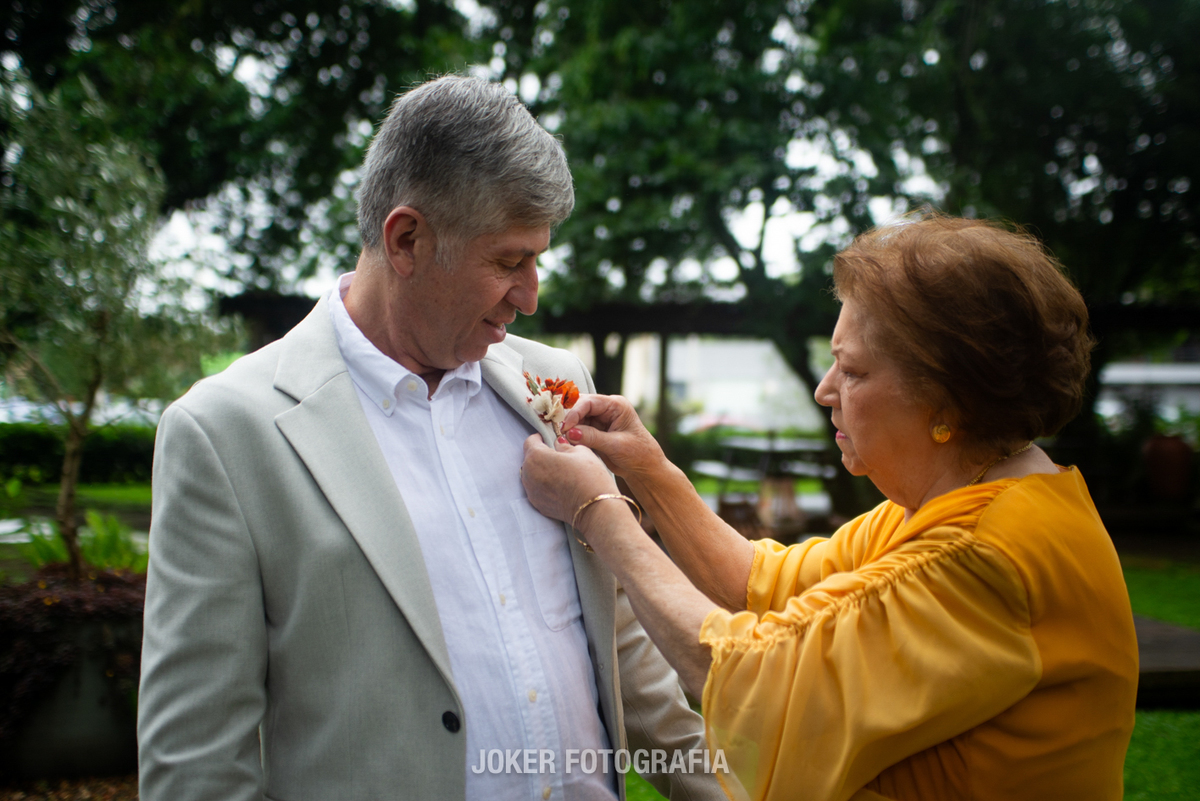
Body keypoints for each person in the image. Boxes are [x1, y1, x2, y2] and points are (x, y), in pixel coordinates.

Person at [138, 75, 724, 801]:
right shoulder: (226, 434)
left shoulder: (554, 385)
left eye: (537, 260)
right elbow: (196, 764)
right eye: (508, 261)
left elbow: (621, 645)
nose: (530, 295)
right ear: (407, 240)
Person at [520, 216, 1139, 801]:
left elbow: (753, 677)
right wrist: (649, 471)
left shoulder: (979, 555)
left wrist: (599, 511)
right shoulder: (960, 504)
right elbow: (764, 588)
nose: (824, 391)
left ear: (948, 401)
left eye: (853, 371)